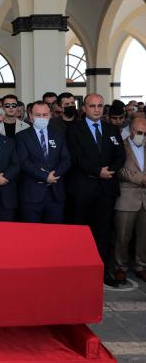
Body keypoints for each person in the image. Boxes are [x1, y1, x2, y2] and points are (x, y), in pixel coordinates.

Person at [67, 93, 126, 287]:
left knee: (104, 233)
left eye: (100, 106)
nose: (97, 109)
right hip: (83, 189)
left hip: (106, 189)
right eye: (92, 106)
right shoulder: (74, 129)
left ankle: (102, 272)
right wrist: (96, 171)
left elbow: (120, 155)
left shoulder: (111, 129)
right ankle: (79, 271)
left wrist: (110, 171)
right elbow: (75, 157)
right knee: (81, 233)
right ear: (84, 108)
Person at [16, 101, 70, 223]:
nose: (42, 118)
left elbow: (66, 159)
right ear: (30, 116)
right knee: (31, 235)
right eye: (38, 115)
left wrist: (54, 175)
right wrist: (45, 176)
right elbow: (24, 162)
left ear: (50, 115)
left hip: (55, 194)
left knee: (55, 235)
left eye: (45, 114)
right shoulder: (21, 136)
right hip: (31, 195)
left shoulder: (59, 135)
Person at [113, 117, 146, 284]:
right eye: (140, 133)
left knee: (143, 236)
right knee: (123, 236)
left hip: (144, 199)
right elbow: (119, 170)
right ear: (132, 130)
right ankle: (121, 267)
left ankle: (141, 266)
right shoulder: (121, 146)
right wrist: (141, 179)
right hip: (127, 198)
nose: (143, 136)